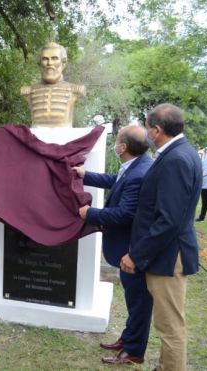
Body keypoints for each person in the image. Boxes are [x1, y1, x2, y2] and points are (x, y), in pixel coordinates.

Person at [120, 103, 202, 371]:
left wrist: (136, 254)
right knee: (167, 322)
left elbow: (169, 220)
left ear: (156, 130)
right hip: (166, 251)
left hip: (168, 255)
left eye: (147, 127)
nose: (145, 132)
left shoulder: (176, 159)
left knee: (170, 326)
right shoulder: (179, 153)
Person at [73, 126, 153, 365]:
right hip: (127, 245)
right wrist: (84, 174)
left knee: (139, 302)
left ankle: (134, 351)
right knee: (133, 299)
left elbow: (124, 214)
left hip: (132, 248)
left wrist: (91, 213)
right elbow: (115, 182)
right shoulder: (136, 165)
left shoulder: (139, 173)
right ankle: (128, 339)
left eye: (117, 140)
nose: (115, 144)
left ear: (123, 147)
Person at [20, 42, 86, 128]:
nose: (49, 63)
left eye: (54, 58)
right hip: (36, 137)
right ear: (39, 64)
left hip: (64, 137)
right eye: (45, 59)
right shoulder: (29, 91)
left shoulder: (75, 89)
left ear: (63, 63)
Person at [196, 147, 207, 221]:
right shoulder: (203, 162)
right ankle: (201, 218)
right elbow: (199, 172)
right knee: (204, 204)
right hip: (204, 187)